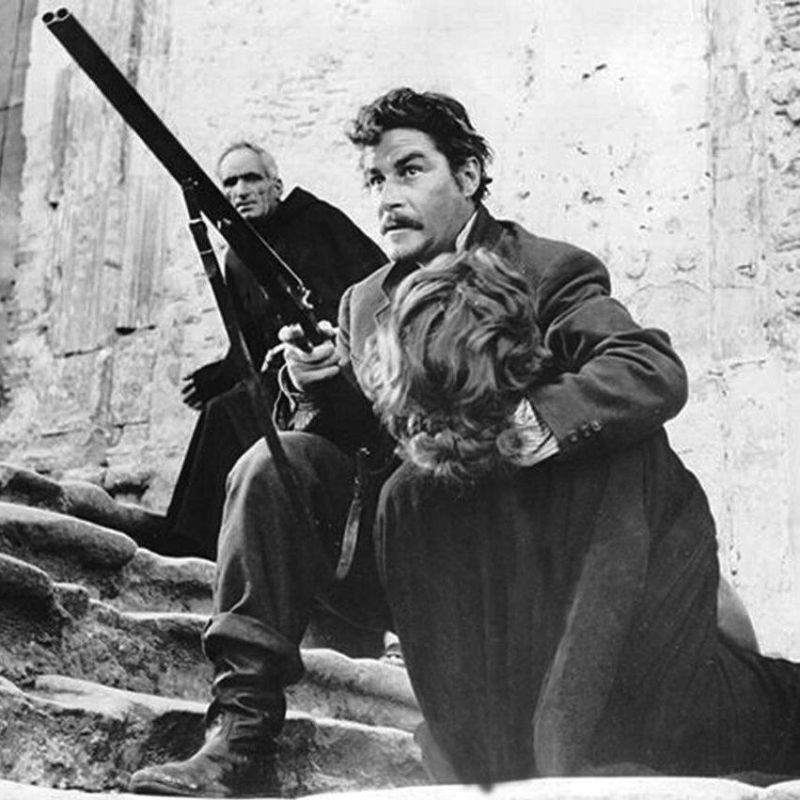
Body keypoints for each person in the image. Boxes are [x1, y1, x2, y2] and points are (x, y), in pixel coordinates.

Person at [129, 87, 697, 797]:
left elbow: (648, 369)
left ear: (468, 175)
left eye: (410, 170)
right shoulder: (364, 300)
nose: (387, 196)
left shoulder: (544, 268)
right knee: (273, 465)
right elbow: (373, 436)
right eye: (375, 179)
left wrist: (511, 433)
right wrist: (318, 388)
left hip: (517, 559)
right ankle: (240, 735)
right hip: (401, 541)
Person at [365, 246, 800, 784]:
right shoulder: (613, 448)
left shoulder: (402, 498)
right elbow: (601, 635)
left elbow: (445, 693)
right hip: (658, 727)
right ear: (522, 343)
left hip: (516, 750)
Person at [158, 141, 385, 559]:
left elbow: (377, 285)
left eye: (251, 179)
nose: (240, 191)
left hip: (339, 375)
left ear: (276, 186)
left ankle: (193, 542)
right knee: (222, 408)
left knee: (229, 412)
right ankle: (192, 538)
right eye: (230, 183)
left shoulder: (318, 221)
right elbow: (245, 344)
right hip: (281, 379)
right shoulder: (236, 257)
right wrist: (217, 376)